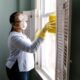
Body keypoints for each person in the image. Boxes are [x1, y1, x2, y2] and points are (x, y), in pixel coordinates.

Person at [5, 11, 54, 80]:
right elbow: (31, 49)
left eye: (23, 19)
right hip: (16, 68)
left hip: (22, 67)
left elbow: (28, 46)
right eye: (20, 20)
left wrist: (38, 36)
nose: (23, 22)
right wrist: (43, 33)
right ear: (13, 24)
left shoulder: (20, 34)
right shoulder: (14, 37)